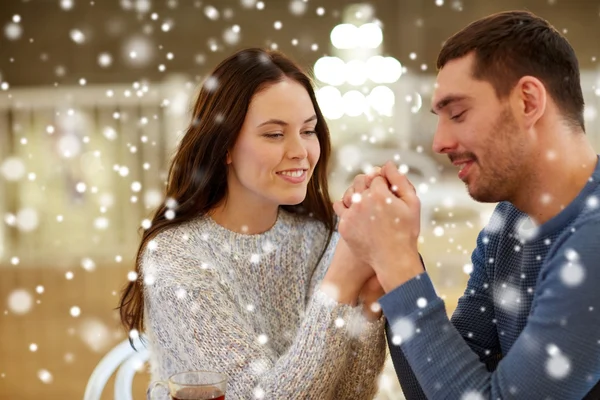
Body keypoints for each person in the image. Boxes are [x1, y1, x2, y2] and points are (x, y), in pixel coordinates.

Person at [335, 10, 600, 399]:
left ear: (528, 101)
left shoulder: (593, 243)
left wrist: (397, 264)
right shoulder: (511, 220)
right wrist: (392, 254)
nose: (439, 142)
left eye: (457, 113)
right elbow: (441, 389)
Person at [117, 48, 386, 399]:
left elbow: (351, 394)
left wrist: (368, 307)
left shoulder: (318, 238)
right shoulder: (175, 257)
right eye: (274, 134)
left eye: (308, 131)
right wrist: (340, 284)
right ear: (225, 145)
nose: (301, 152)